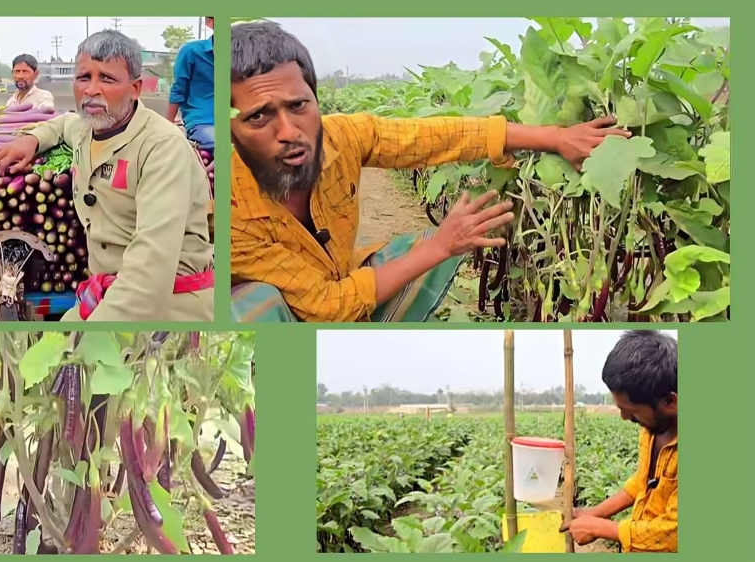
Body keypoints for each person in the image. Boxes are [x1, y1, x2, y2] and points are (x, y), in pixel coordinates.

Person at [228, 22, 632, 323]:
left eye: (298, 105)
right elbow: (326, 306)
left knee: (422, 250)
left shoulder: (342, 136)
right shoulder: (229, 213)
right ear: (231, 129)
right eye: (259, 116)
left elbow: (433, 137)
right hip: (291, 315)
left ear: (315, 99)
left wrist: (555, 137)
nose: (289, 131)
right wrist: (441, 246)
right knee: (255, 305)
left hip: (342, 285)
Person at [0, 30, 214, 322]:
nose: (92, 90)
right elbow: (63, 124)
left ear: (135, 88)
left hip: (167, 303)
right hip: (107, 294)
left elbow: (150, 267)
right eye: (84, 78)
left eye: (107, 78)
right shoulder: (87, 129)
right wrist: (32, 140)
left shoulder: (162, 148)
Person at [560, 330, 678, 553]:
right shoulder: (652, 427)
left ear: (669, 402)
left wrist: (602, 528)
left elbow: (675, 533)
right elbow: (642, 482)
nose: (624, 417)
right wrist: (595, 513)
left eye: (631, 410)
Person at [167, 16, 215, 152]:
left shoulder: (242, 56)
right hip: (202, 120)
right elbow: (179, 88)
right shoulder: (191, 51)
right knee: (221, 148)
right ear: (209, 22)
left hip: (235, 121)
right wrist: (167, 126)